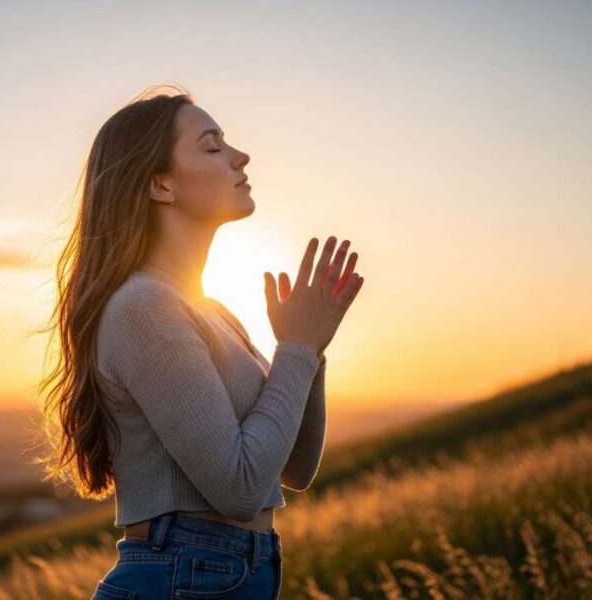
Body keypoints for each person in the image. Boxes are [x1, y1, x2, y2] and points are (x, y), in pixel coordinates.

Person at [34, 84, 364, 599]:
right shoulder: (144, 306)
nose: (240, 157)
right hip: (181, 575)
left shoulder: (209, 311)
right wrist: (295, 350)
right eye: (212, 146)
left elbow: (294, 469)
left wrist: (310, 347)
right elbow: (239, 489)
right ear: (160, 185)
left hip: (226, 573)